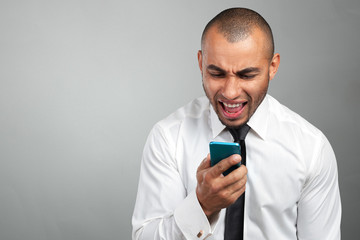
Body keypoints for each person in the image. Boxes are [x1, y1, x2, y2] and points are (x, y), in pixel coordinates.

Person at [132, 7, 341, 240]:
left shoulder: (311, 148)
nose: (230, 93)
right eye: (217, 74)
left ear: (272, 67)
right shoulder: (169, 137)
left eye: (247, 75)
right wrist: (201, 206)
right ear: (201, 63)